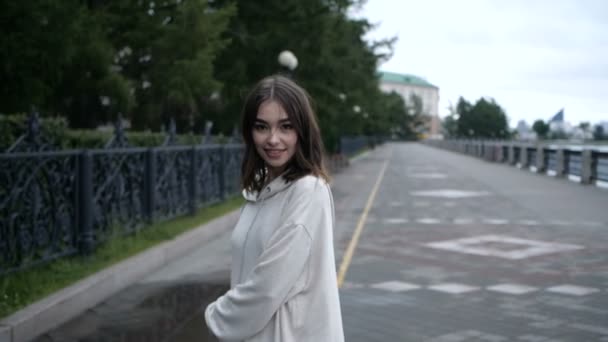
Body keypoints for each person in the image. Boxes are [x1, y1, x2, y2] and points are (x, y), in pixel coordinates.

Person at [204, 75, 345, 341]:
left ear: (302, 131)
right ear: (249, 131)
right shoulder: (261, 191)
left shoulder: (307, 191)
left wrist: (215, 316)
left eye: (286, 127)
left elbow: (267, 287)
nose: (273, 139)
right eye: (261, 127)